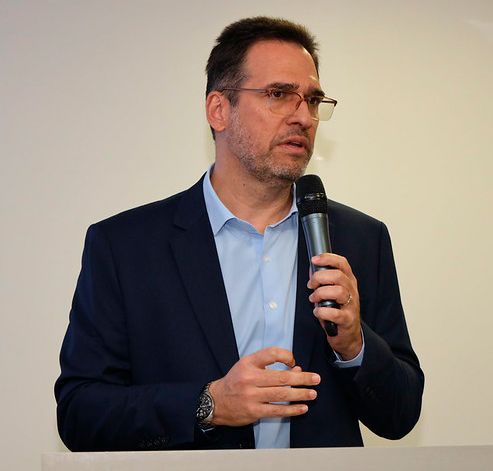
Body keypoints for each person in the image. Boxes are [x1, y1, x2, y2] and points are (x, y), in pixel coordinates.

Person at [55, 16, 424, 451]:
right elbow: (80, 413)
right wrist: (208, 403)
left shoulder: (360, 239)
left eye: (312, 100)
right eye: (279, 94)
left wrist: (354, 345)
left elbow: (400, 415)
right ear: (218, 109)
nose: (303, 117)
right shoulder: (125, 247)